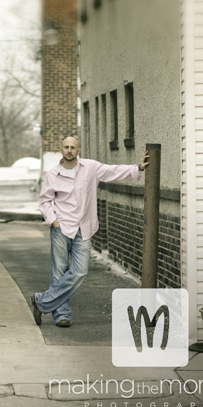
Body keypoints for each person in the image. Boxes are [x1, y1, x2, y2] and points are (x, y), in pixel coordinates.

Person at [30, 136, 149, 328]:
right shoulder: (52, 174)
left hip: (83, 228)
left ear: (79, 151)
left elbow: (112, 171)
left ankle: (41, 300)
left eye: (73, 147)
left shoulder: (91, 168)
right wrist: (54, 221)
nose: (69, 150)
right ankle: (62, 314)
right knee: (59, 272)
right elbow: (44, 201)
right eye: (66, 147)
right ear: (61, 149)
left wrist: (138, 167)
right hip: (61, 228)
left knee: (80, 271)